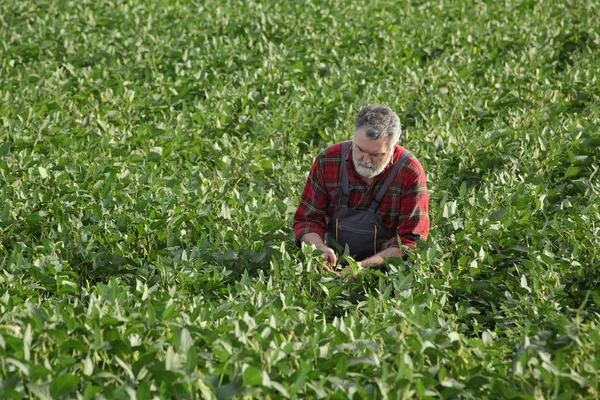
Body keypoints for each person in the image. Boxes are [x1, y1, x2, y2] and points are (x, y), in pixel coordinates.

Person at [293, 104, 429, 277]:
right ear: (353, 137)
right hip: (331, 266)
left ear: (394, 147)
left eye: (376, 155)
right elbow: (306, 220)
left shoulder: (410, 172)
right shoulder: (328, 160)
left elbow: (410, 242)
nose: (366, 160)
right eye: (360, 150)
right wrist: (318, 249)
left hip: (384, 273)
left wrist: (363, 267)